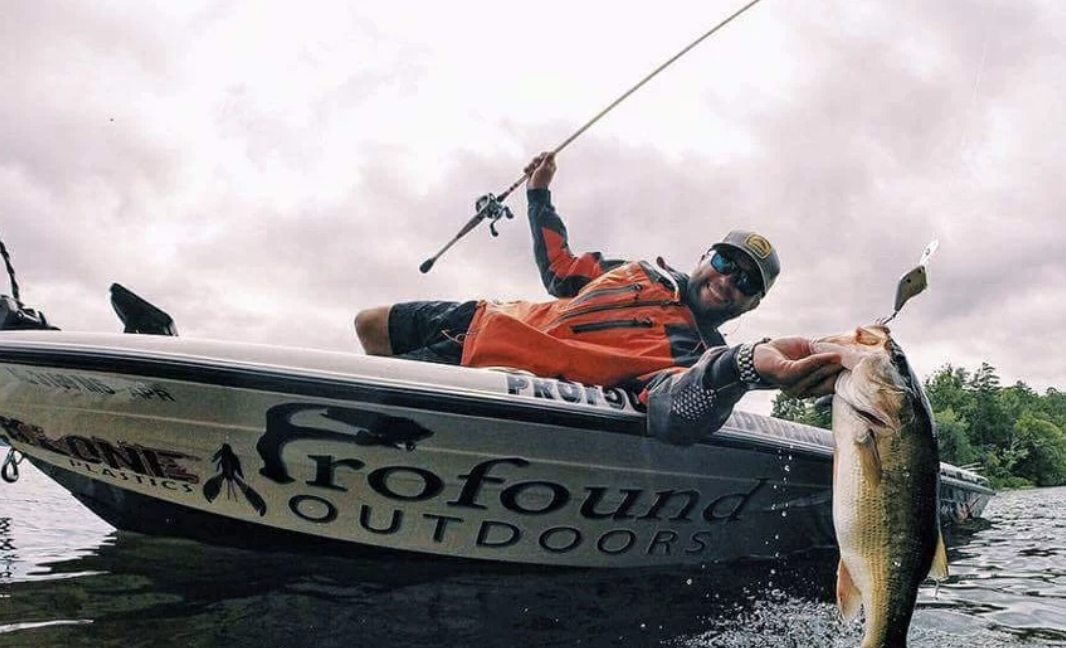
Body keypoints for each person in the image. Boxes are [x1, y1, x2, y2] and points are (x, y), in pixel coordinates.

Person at [355, 152, 842, 445]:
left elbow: (675, 417)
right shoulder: (638, 271)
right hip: (481, 317)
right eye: (724, 262)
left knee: (365, 418)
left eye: (746, 282)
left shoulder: (695, 357)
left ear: (753, 305)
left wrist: (744, 365)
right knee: (369, 323)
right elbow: (561, 270)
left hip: (492, 368)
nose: (728, 280)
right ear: (704, 256)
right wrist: (538, 194)